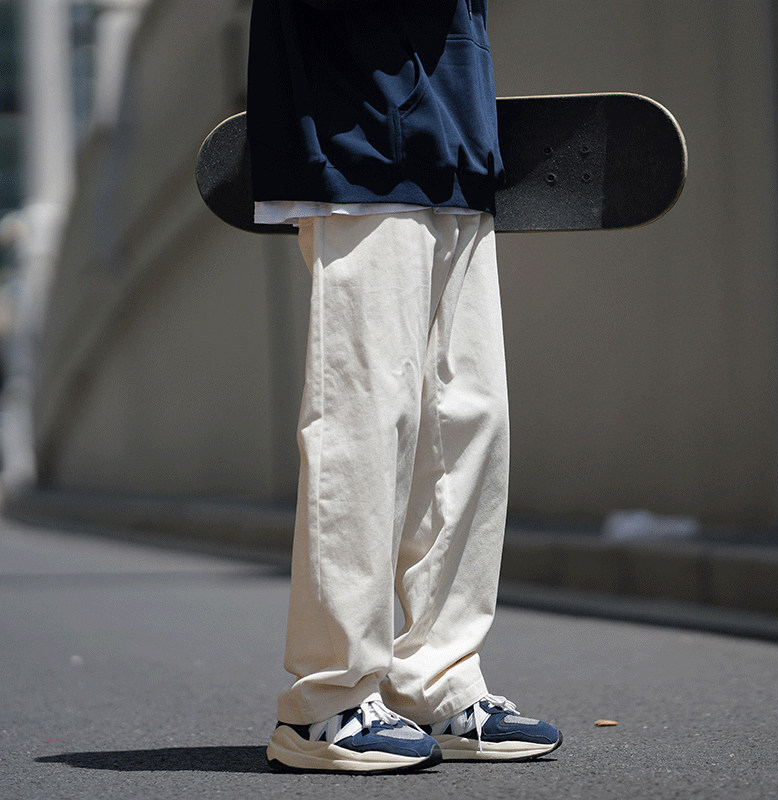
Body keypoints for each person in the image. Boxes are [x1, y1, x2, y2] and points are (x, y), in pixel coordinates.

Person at [246, 0, 562, 773]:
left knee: (468, 422)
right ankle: (326, 701)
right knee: (364, 422)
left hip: (457, 146)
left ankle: (438, 683)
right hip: (358, 136)